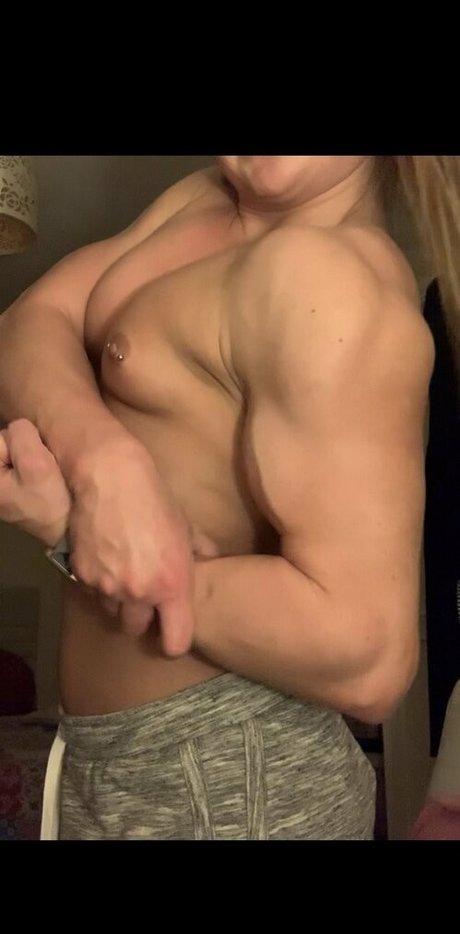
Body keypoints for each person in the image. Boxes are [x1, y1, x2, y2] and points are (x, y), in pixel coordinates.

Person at [0, 156, 454, 840]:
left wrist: (73, 527)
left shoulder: (327, 280)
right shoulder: (208, 194)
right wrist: (103, 461)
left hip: (227, 783)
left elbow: (369, 658)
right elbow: (29, 319)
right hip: (118, 759)